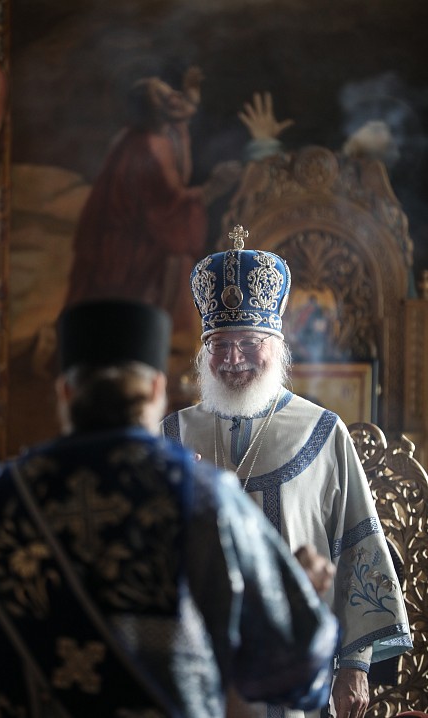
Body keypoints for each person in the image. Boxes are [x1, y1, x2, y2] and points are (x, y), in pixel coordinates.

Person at [0, 297, 338, 717]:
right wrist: (296, 592)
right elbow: (293, 673)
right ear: (156, 389)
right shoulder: (205, 501)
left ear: (65, 392)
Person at [161, 226, 413, 718]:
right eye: (219, 344)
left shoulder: (323, 431)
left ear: (276, 344)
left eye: (248, 342)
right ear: (204, 351)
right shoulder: (173, 434)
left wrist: (354, 664)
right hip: (198, 668)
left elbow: (357, 543)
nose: (232, 359)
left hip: (297, 669)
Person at [66, 66, 241, 333]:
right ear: (156, 110)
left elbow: (180, 116)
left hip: (138, 236)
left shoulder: (153, 134)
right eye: (166, 95)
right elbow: (168, 208)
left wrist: (191, 98)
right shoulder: (149, 148)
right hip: (130, 248)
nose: (175, 96)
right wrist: (214, 187)